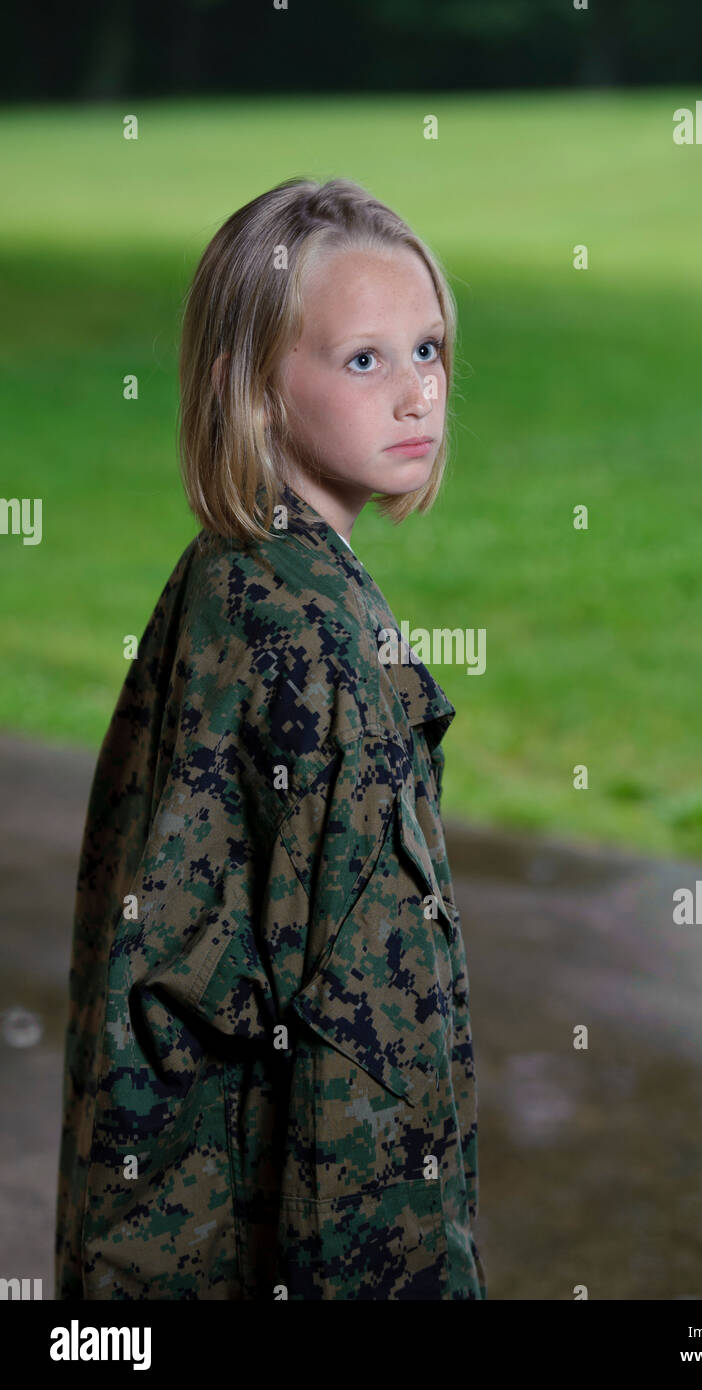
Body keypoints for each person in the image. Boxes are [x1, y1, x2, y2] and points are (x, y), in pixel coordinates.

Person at [54, 176, 487, 1300]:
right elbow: (366, 1070)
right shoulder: (313, 645)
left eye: (428, 350)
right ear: (251, 387)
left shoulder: (229, 582)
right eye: (363, 360)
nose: (414, 397)